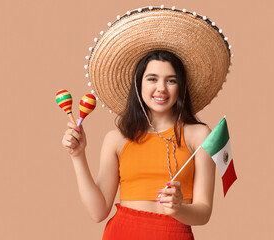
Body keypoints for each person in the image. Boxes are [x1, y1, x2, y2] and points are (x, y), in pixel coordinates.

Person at [61, 6, 232, 240]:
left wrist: (179, 208)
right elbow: (98, 211)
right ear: (138, 84)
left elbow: (203, 213)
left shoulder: (200, 135)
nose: (161, 88)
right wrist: (78, 156)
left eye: (171, 80)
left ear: (181, 87)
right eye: (152, 79)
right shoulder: (117, 139)